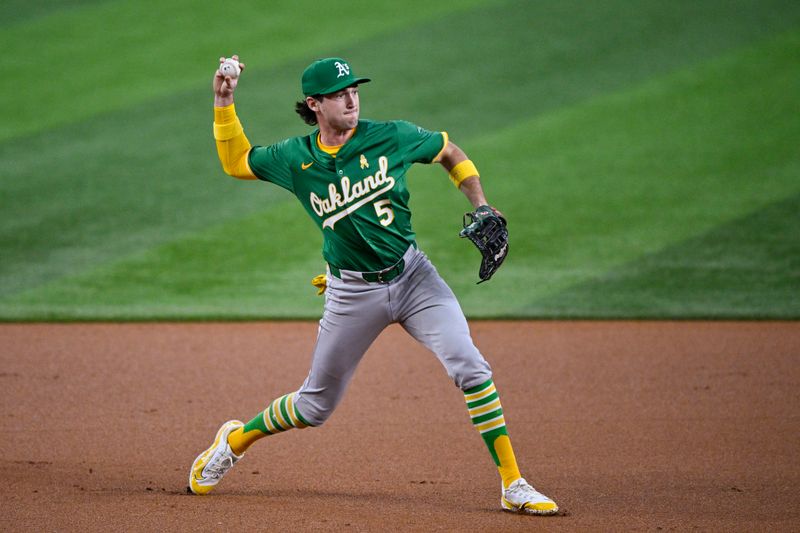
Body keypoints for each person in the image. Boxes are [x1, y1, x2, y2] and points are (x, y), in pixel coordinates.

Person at [188, 55, 558, 515]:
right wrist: (224, 101)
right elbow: (236, 161)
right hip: (352, 294)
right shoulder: (295, 159)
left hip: (414, 277)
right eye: (340, 94)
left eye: (355, 90)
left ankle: (513, 483)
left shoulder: (392, 135)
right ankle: (235, 440)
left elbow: (447, 151)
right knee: (314, 408)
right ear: (315, 104)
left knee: (471, 366)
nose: (351, 99)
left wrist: (482, 202)